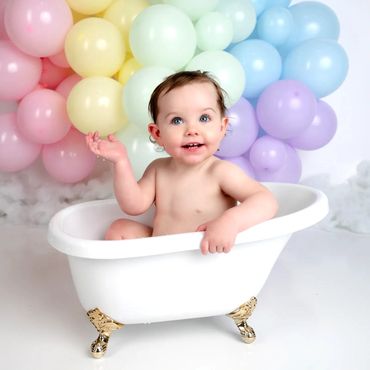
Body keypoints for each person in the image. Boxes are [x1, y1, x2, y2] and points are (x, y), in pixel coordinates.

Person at [86, 70, 278, 254]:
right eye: (177, 120)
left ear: (222, 127)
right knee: (119, 229)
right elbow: (133, 206)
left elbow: (265, 200)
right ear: (157, 133)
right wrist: (121, 162)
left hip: (202, 255)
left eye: (204, 118)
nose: (191, 130)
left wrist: (230, 222)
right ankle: (137, 280)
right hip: (160, 252)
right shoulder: (158, 170)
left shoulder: (220, 172)